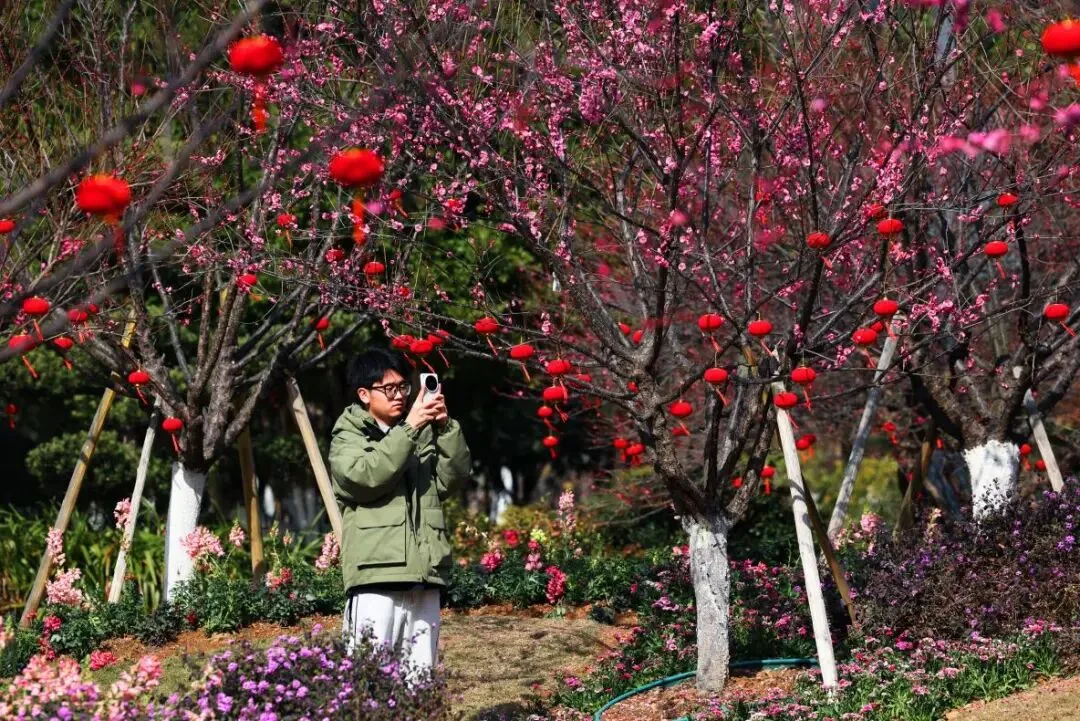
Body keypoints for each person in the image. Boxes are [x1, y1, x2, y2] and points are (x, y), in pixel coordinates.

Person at [329, 348, 471, 679]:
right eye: (388, 389)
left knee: (420, 681)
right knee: (368, 680)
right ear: (364, 394)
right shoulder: (348, 433)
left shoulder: (420, 431)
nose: (399, 396)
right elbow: (364, 477)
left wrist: (446, 427)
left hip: (424, 574)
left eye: (403, 387)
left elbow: (451, 480)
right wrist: (409, 429)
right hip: (376, 576)